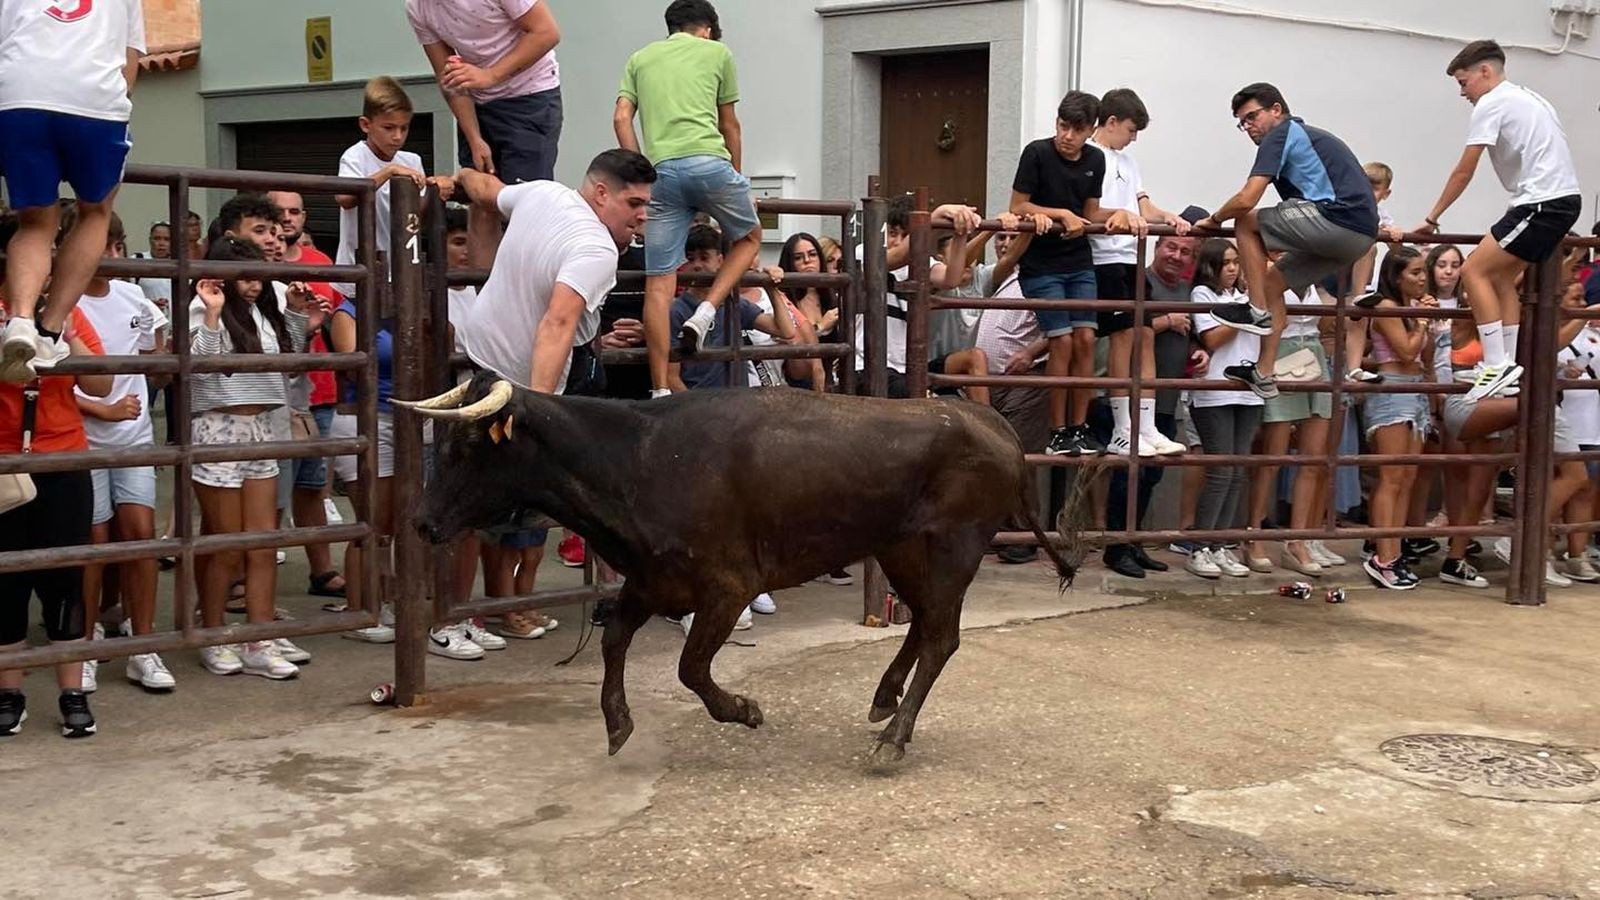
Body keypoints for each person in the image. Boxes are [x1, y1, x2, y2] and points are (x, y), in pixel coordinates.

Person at [1415, 39, 1584, 402]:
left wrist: (1432, 217)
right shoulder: (1529, 98)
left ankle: (1496, 363)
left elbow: (1464, 170)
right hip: (1556, 200)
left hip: (1541, 202)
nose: (1463, 93)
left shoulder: (1492, 103)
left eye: (1463, 82)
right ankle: (1505, 364)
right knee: (1502, 277)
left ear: (1485, 72)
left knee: (1472, 271)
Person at [1195, 83, 1378, 400]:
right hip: (1359, 236)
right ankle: (1264, 373)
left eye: (1252, 117)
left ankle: (1254, 310)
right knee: (1271, 282)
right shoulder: (1306, 138)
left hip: (1338, 219)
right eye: (1243, 123)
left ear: (1276, 110)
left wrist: (1213, 220)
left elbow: (1246, 199)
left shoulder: (1280, 135)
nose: (1249, 127)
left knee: (1245, 220)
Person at [615, 0, 761, 397]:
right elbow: (729, 123)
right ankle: (708, 310)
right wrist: (737, 177)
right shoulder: (717, 53)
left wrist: (639, 169)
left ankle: (661, 388)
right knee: (749, 239)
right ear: (708, 29)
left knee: (659, 286)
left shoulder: (640, 59)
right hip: (710, 164)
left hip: (660, 173)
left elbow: (621, 117)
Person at [189, 238, 320, 679]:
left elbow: (290, 368)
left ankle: (258, 638)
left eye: (257, 274)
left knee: (263, 542)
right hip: (219, 429)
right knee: (226, 546)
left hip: (262, 428)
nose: (253, 283)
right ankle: (213, 634)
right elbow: (201, 364)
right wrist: (210, 311)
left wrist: (300, 316)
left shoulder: (267, 312)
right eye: (244, 274)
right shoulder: (203, 305)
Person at [0, 236, 114, 737]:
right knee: (5, 586)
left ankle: (73, 692)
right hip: (4, 466)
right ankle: (9, 693)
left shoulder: (66, 314)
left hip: (64, 460)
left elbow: (103, 384)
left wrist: (65, 331)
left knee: (65, 581)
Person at [0, 0, 145, 382]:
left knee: (34, 223)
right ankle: (50, 329)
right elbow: (129, 62)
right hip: (94, 97)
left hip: (19, 93)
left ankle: (19, 319)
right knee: (96, 211)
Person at [65, 211, 172, 691]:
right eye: (100, 245)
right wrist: (99, 409)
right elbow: (43, 382)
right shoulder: (60, 301)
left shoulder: (135, 294)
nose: (111, 256)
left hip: (135, 437)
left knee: (142, 535)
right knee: (94, 545)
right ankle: (86, 646)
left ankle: (142, 646)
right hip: (81, 439)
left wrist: (163, 359)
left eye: (116, 245)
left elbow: (156, 359)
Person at [455, 149, 652, 393]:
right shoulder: (598, 249)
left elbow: (485, 189)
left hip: (484, 354)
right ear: (601, 193)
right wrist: (541, 411)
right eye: (634, 203)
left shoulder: (543, 191)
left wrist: (462, 175)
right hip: (532, 376)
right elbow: (557, 324)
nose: (643, 215)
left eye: (645, 205)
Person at [406, 0, 563, 268]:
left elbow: (547, 32)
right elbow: (449, 76)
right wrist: (474, 137)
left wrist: (490, 75)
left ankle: (528, 294)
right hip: (477, 102)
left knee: (524, 202)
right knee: (479, 203)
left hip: (529, 94)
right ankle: (485, 296)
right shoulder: (418, 7)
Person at [1010, 90, 1119, 456]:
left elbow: (1091, 211)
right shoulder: (1037, 153)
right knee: (1063, 341)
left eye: (1076, 129)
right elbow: (1018, 204)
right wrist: (1057, 213)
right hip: (1041, 265)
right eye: (1062, 125)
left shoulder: (1096, 160)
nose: (1066, 135)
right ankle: (1057, 431)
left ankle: (1079, 426)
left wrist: (1126, 214)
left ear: (1091, 130)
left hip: (1078, 261)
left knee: (1087, 339)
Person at [1086, 88, 1190, 457]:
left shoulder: (1129, 163)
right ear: (1110, 122)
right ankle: (1122, 428)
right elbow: (1093, 208)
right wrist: (1122, 217)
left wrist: (1166, 216)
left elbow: (1143, 204)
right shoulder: (1089, 155)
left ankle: (1146, 426)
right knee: (1123, 337)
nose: (1133, 138)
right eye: (1130, 129)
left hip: (1132, 258)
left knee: (1145, 334)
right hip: (1105, 257)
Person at [265, 190, 346, 600]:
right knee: (271, 493)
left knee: (313, 488)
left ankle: (322, 571)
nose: (288, 219)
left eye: (295, 211)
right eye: (279, 213)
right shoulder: (258, 268)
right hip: (273, 396)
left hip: (320, 390)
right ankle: (253, 584)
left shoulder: (322, 265)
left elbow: (336, 327)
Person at [1242, 276, 1335, 577]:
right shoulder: (1269, 269)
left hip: (1314, 355)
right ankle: (1253, 533)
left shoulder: (1312, 273)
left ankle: (1297, 540)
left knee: (1313, 458)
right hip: (1279, 354)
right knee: (1274, 456)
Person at [1357, 247, 1434, 590]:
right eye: (1415, 272)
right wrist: (1422, 322)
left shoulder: (1414, 308)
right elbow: (1405, 350)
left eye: (1423, 272)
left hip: (1415, 388)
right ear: (1396, 276)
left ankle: (1395, 551)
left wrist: (1424, 321)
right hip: (1392, 390)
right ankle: (1383, 556)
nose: (1422, 279)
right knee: (1390, 477)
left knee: (1407, 477)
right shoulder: (1387, 308)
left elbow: (1424, 354)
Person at [334, 77, 453, 298]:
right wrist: (389, 172)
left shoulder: (412, 160)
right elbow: (344, 198)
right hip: (358, 276)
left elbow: (417, 218)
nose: (397, 136)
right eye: (389, 127)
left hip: (400, 273)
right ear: (365, 125)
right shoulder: (355, 156)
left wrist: (436, 189)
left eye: (404, 128)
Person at [1185, 239, 1261, 579]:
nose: (1232, 268)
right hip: (1215, 390)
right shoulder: (1203, 295)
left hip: (1250, 392)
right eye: (1226, 263)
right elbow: (1212, 339)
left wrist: (1248, 309)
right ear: (1211, 266)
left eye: (1236, 262)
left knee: (1238, 470)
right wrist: (1246, 316)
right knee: (1220, 471)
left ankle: (1220, 545)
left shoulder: (1245, 296)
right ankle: (1199, 546)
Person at [666, 224, 796, 391]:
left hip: (735, 404)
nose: (697, 265)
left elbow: (786, 331)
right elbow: (671, 377)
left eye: (704, 257)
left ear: (720, 261)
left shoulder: (734, 304)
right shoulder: (677, 311)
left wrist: (771, 287)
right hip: (702, 405)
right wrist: (695, 412)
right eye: (690, 259)